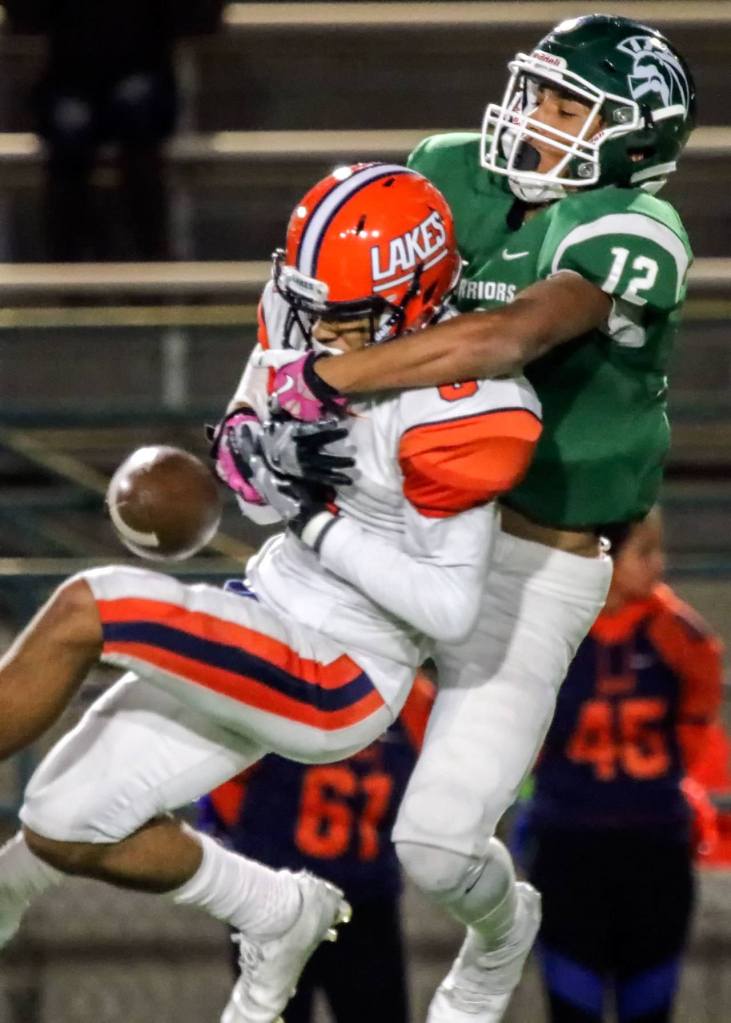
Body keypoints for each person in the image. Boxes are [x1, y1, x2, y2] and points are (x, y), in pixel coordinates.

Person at [0, 164, 542, 1023]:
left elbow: (448, 611)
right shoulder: (305, 312)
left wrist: (316, 520)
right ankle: (276, 910)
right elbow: (250, 480)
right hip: (267, 607)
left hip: (343, 671)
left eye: (344, 310)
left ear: (412, 298)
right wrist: (249, 454)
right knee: (60, 822)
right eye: (308, 299)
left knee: (93, 604)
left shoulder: (462, 401)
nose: (317, 325)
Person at [252, 14, 697, 1022]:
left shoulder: (635, 227)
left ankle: (502, 936)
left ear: (634, 138)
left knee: (437, 844)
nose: (533, 118)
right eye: (533, 92)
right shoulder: (448, 171)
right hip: (409, 523)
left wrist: (316, 383)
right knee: (233, 702)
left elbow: (506, 338)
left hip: (535, 567)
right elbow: (312, 276)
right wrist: (262, 393)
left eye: (566, 106)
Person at [516, 509, 723, 1023]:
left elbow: (699, 711)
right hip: (569, 842)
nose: (660, 564)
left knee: (650, 1006)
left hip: (653, 842)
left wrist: (664, 784)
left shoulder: (677, 632)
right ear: (603, 556)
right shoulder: (555, 630)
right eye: (645, 553)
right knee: (572, 1005)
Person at [198, 675, 434, 1023]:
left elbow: (224, 784)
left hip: (283, 895)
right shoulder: (411, 694)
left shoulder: (283, 678)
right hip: (351, 898)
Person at [5, 1, 223, 261]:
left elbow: (201, 18)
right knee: (69, 133)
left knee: (138, 115)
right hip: (71, 79)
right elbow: (25, 17)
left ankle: (150, 261)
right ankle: (67, 269)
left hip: (143, 72)